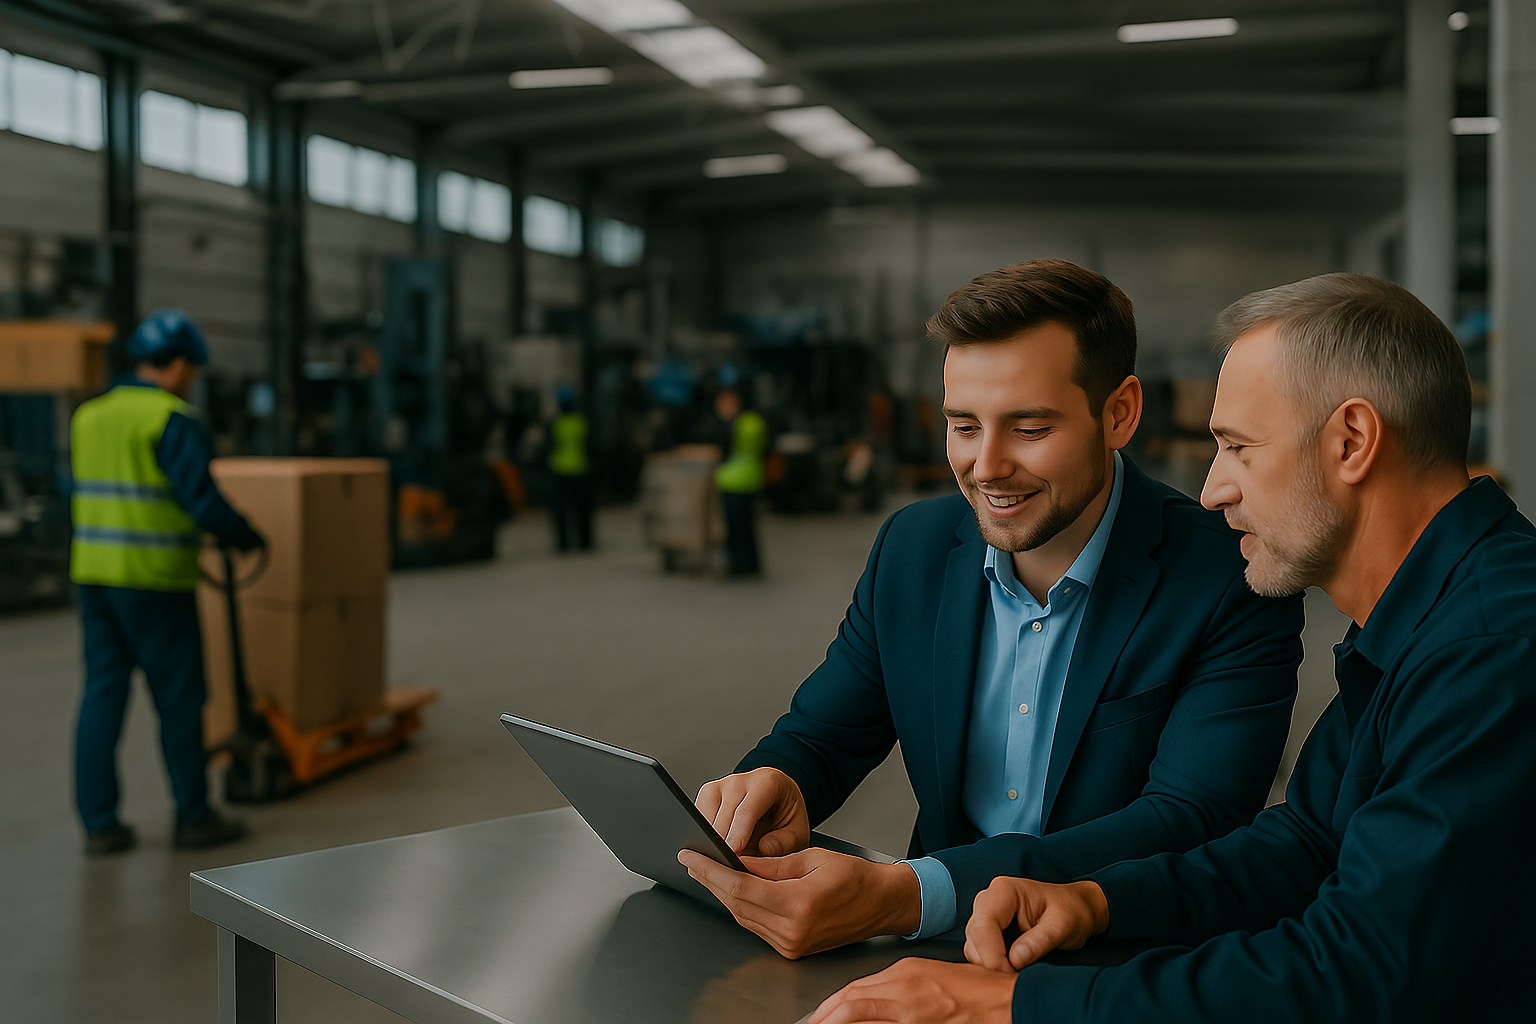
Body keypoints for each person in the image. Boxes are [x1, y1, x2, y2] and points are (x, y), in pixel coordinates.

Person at [808, 272, 1534, 1024]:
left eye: (1238, 448)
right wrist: (1096, 902)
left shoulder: (1492, 649)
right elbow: (1306, 843)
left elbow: (1357, 973)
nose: (1214, 490)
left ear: (1351, 441)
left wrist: (1010, 1005)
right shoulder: (1429, 615)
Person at [679, 259, 1306, 958]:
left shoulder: (1226, 576)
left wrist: (906, 893)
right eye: (964, 426)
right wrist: (775, 781)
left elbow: (1190, 819)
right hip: (937, 944)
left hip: (1117, 963)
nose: (986, 466)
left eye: (1029, 428)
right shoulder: (910, 550)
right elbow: (824, 732)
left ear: (1119, 413)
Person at [70, 308, 265, 856]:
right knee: (179, 697)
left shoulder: (91, 414)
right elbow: (199, 499)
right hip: (154, 581)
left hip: (93, 576)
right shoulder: (170, 418)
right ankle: (193, 815)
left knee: (102, 693)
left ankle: (100, 824)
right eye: (192, 371)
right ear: (178, 364)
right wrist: (246, 534)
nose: (191, 381)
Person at [714, 385, 767, 576]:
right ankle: (752, 565)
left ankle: (738, 566)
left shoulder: (733, 424)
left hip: (732, 481)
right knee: (749, 527)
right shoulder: (755, 421)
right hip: (753, 479)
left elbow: (722, 450)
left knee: (735, 529)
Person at [546, 386, 594, 553]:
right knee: (583, 510)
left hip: (560, 470)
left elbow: (549, 446)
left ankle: (563, 544)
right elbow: (590, 446)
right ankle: (585, 542)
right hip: (581, 469)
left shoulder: (555, 423)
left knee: (561, 512)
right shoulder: (581, 421)